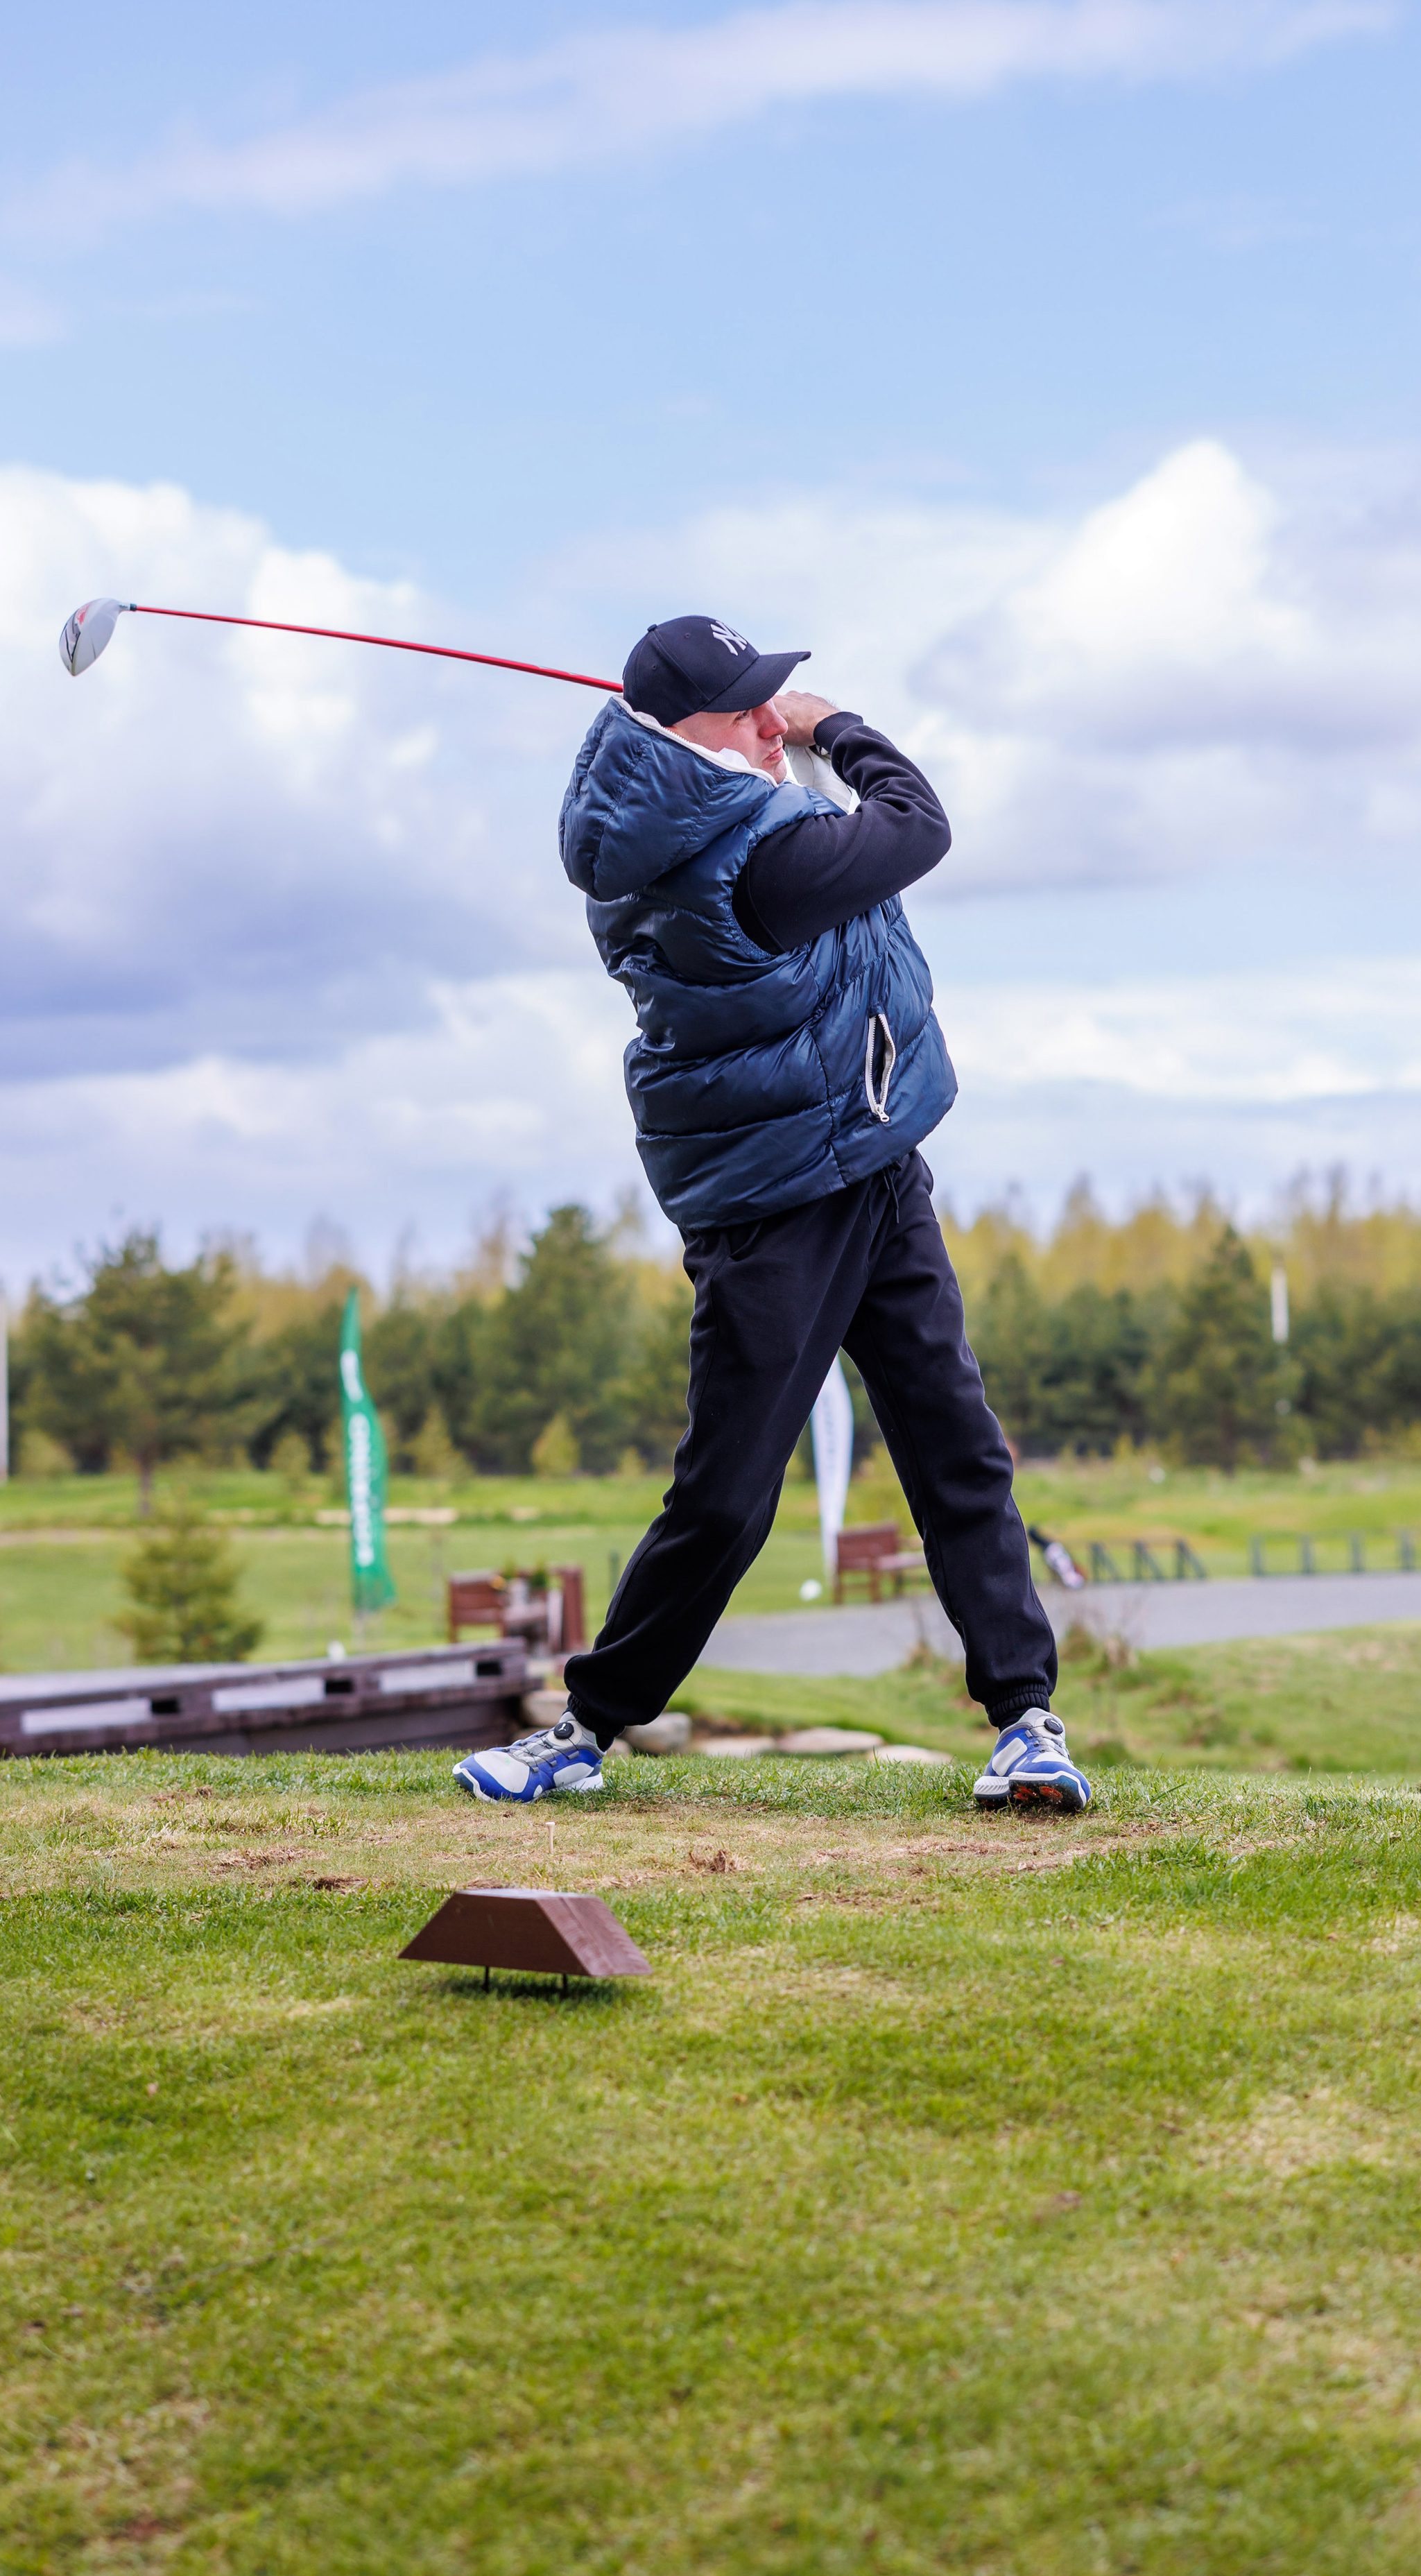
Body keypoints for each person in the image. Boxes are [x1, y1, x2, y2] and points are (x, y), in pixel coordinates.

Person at [454, 615, 1088, 1813]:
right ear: (681, 735)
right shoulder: (755, 861)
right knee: (730, 1491)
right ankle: (584, 1727)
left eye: (773, 700)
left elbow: (797, 828)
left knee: (957, 1448)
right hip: (779, 1203)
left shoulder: (671, 815)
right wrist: (835, 730)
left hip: (868, 1165)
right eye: (747, 707)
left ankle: (1026, 1720)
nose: (768, 718)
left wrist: (769, 752)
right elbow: (919, 826)